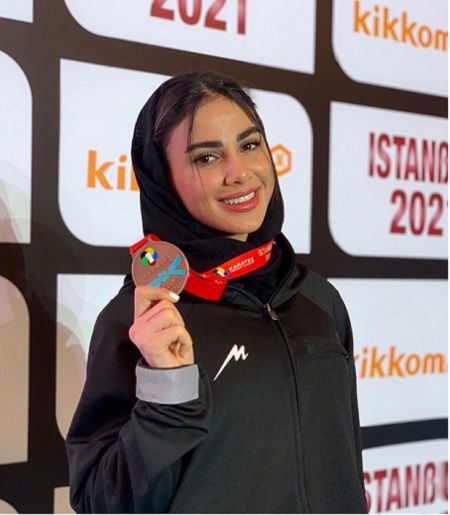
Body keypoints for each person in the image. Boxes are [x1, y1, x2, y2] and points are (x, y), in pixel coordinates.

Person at [66, 70, 367, 514]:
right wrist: (168, 392)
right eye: (206, 158)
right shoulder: (143, 320)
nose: (239, 173)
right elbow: (103, 503)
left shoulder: (319, 300)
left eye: (250, 145)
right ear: (162, 179)